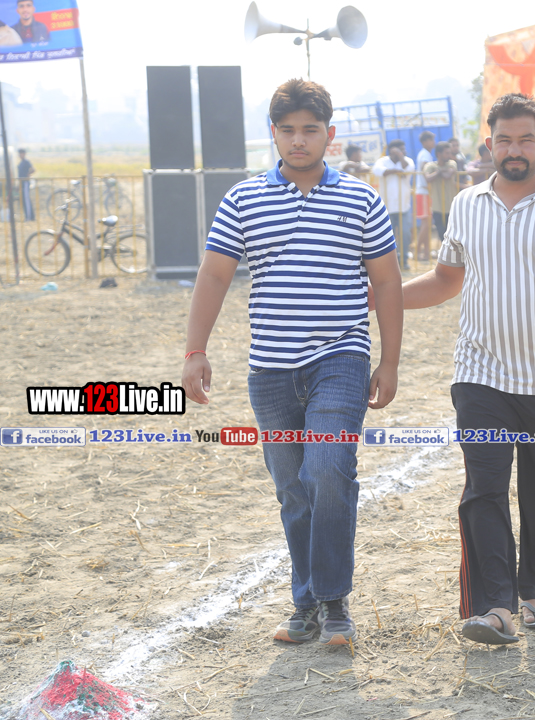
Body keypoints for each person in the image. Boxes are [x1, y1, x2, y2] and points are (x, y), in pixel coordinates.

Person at [181, 78, 402, 647]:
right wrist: (194, 351)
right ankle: (305, 604)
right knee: (293, 490)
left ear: (329, 134)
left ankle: (334, 602)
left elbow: (386, 282)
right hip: (271, 371)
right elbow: (214, 275)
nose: (299, 140)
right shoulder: (243, 199)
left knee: (328, 471)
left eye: (310, 130)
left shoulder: (362, 199)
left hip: (341, 359)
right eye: (288, 130)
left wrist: (390, 362)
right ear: (274, 134)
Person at [401, 93, 535, 645]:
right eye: (504, 140)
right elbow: (445, 280)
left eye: (525, 140)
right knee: (484, 488)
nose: (514, 149)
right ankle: (495, 607)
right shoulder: (467, 204)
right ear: (489, 144)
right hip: (479, 375)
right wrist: (384, 297)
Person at [372, 139, 415, 270]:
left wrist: (400, 157)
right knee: (387, 236)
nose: (403, 152)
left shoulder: (407, 160)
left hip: (404, 206)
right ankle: (391, 263)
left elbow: (408, 169)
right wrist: (396, 171)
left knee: (405, 234)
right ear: (392, 150)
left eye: (403, 150)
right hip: (386, 207)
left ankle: (404, 260)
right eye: (400, 150)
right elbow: (378, 171)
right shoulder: (382, 161)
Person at [424, 141, 460, 245]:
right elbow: (428, 178)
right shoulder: (430, 165)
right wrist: (439, 171)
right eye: (447, 153)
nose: (449, 155)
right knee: (442, 235)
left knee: (454, 235)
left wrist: (437, 172)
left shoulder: (452, 163)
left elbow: (447, 175)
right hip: (437, 207)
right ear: (439, 154)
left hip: (451, 206)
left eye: (450, 153)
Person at [415, 130, 436, 263]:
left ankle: (426, 253)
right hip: (423, 191)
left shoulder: (426, 154)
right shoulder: (425, 155)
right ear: (425, 141)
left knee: (427, 224)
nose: (433, 142)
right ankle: (417, 251)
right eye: (431, 140)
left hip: (425, 192)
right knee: (425, 224)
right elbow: (425, 170)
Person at [17, 148, 34, 221]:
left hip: (26, 182)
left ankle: (29, 217)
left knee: (26, 199)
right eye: (19, 154)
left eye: (21, 153)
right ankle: (28, 215)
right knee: (24, 199)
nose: (20, 155)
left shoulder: (26, 162)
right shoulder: (21, 162)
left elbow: (33, 169)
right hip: (22, 182)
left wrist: (28, 175)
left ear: (24, 154)